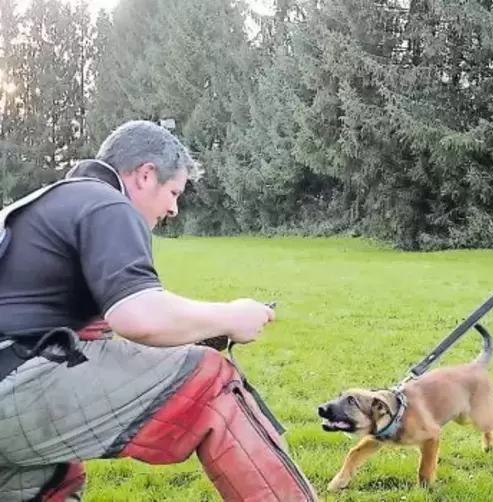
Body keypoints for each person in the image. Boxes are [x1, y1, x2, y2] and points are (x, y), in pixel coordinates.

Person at [0, 120, 318, 501]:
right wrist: (232, 316)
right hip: (17, 384)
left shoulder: (45, 204)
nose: (173, 208)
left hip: (14, 395)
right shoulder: (106, 203)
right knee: (211, 383)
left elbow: (94, 337)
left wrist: (208, 329)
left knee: (53, 487)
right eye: (173, 192)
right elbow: (138, 317)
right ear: (145, 175)